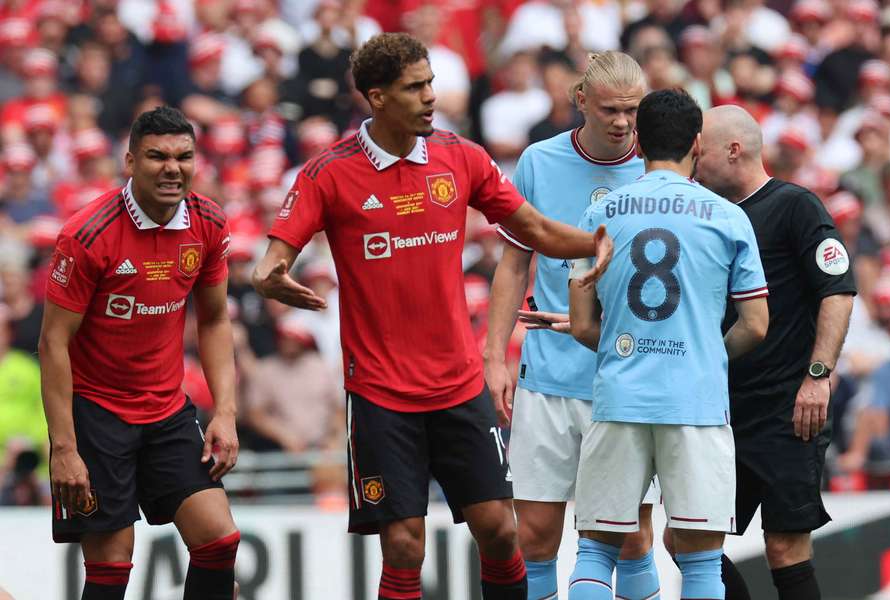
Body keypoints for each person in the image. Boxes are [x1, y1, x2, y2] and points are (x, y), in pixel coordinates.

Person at [252, 32, 611, 600]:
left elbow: (536, 230)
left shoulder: (459, 156)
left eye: (431, 84)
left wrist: (599, 241)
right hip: (379, 392)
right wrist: (272, 278)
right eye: (414, 87)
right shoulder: (329, 173)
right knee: (403, 545)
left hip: (458, 385)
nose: (430, 97)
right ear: (377, 97)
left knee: (498, 530)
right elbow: (269, 263)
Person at [568, 89, 770, 600]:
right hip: (695, 404)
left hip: (619, 397)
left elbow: (581, 324)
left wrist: (626, 349)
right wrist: (704, 353)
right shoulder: (727, 216)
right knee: (701, 563)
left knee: (596, 552)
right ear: (697, 144)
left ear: (638, 141)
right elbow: (756, 325)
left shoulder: (601, 213)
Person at [39, 106, 241, 600]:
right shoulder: (88, 235)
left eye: (183, 156)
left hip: (167, 410)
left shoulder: (209, 221)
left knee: (219, 540)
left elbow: (213, 320)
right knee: (111, 568)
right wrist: (64, 449)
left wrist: (227, 414)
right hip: (97, 414)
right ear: (130, 161)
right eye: (157, 156)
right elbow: (52, 343)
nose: (172, 167)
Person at [484, 51, 660, 600]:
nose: (622, 122)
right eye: (610, 108)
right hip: (547, 375)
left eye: (633, 110)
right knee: (534, 535)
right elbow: (514, 263)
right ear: (580, 100)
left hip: (627, 376)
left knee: (628, 536)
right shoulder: (539, 161)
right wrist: (494, 357)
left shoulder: (661, 166)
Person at [690, 104, 856, 600]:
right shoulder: (708, 213)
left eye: (701, 152)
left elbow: (838, 290)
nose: (693, 162)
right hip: (721, 410)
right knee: (689, 540)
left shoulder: (795, 206)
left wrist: (818, 375)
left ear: (733, 150)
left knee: (785, 547)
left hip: (788, 410)